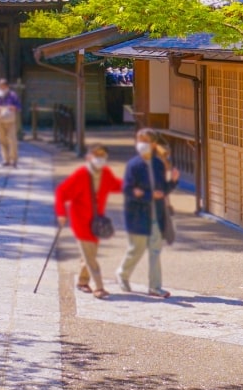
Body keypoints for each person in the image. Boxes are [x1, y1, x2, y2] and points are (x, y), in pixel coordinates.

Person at [55, 143, 121, 296]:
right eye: (96, 155)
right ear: (89, 157)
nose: (99, 158)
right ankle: (99, 287)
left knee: (90, 254)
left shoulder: (105, 173)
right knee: (89, 255)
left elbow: (116, 184)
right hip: (80, 220)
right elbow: (62, 192)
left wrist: (134, 187)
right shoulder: (81, 174)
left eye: (102, 155)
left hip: (96, 222)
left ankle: (82, 281)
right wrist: (61, 213)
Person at [117, 128, 172, 298]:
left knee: (155, 251)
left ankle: (155, 286)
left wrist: (174, 181)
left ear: (153, 144)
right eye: (139, 140)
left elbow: (162, 189)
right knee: (137, 249)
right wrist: (148, 195)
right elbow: (128, 189)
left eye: (145, 141)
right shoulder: (133, 165)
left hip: (156, 213)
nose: (141, 144)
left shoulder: (158, 164)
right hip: (138, 214)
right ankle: (122, 273)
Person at [0, 78, 23, 167]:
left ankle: (13, 159)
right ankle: (5, 159)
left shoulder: (13, 95)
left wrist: (13, 107)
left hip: (10, 119)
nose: (2, 87)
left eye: (4, 85)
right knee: (2, 140)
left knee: (12, 140)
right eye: (0, 85)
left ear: (7, 86)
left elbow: (19, 106)